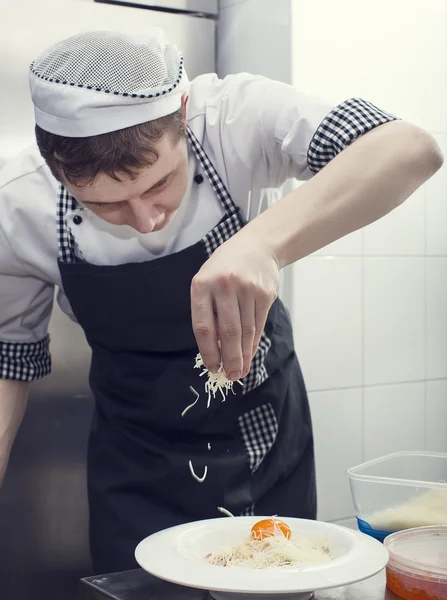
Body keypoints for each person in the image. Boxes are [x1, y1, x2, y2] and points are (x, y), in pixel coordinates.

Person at [0, 29, 442, 574]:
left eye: (160, 182)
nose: (145, 220)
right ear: (55, 170)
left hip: (264, 441)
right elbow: (7, 362)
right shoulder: (16, 206)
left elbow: (409, 148)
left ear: (183, 113)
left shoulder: (232, 116)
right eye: (104, 206)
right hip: (137, 464)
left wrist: (261, 243)